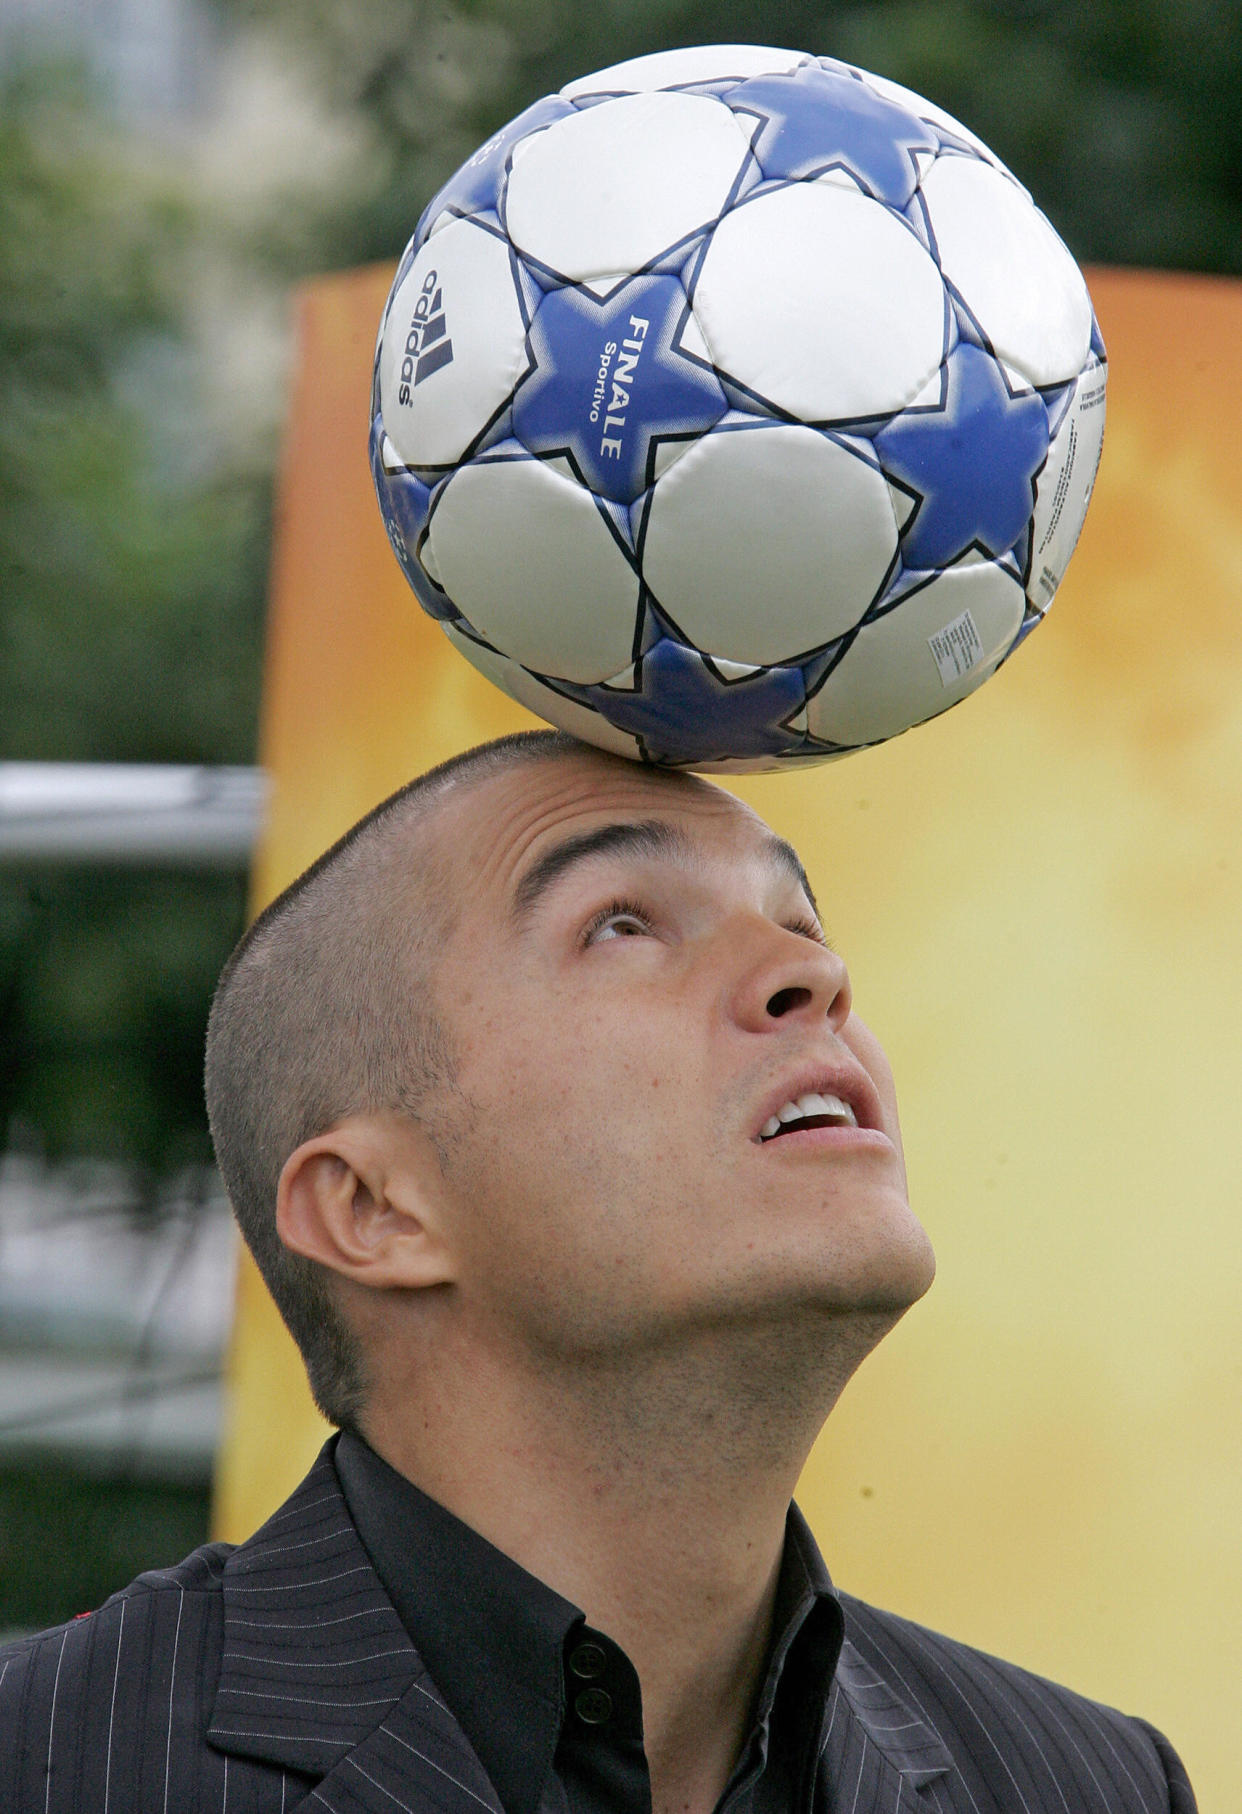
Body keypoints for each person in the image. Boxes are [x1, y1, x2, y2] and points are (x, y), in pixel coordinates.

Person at [0, 730, 1196, 1813]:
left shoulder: (1091, 1781)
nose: (813, 977)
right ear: (373, 1208)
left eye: (805, 920)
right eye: (622, 920)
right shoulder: (47, 1757)